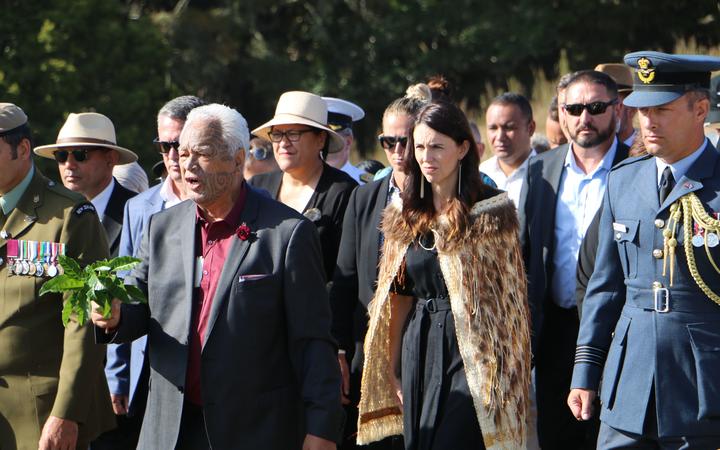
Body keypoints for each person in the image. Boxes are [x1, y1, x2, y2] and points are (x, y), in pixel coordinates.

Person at [91, 103, 344, 449]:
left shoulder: (286, 234)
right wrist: (114, 316)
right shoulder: (162, 227)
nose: (188, 165)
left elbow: (312, 341)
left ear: (238, 160)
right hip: (170, 428)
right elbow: (140, 305)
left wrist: (321, 429)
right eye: (182, 153)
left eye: (203, 154)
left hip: (252, 430)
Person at [357, 101, 531, 449]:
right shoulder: (404, 213)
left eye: (437, 146)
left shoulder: (491, 212)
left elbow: (510, 307)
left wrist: (505, 378)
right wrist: (391, 369)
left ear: (462, 148)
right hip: (418, 344)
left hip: (474, 352)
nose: (426, 156)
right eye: (419, 146)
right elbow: (400, 296)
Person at [569, 51, 720, 448]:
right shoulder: (624, 181)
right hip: (629, 386)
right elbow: (605, 287)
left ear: (700, 109)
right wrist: (585, 373)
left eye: (663, 110)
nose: (647, 123)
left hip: (702, 391)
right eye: (640, 111)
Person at [519, 70, 630, 449]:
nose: (585, 117)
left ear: (617, 110)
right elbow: (526, 251)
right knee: (555, 436)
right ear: (561, 114)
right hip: (554, 331)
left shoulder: (636, 169)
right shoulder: (540, 170)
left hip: (618, 334)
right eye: (575, 108)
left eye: (596, 107)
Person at [0, 103, 115, 449]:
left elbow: (85, 321)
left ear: (22, 149)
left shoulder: (69, 215)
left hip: (39, 413)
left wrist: (67, 412)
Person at [102, 95, 205, 450]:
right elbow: (124, 291)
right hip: (149, 364)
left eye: (180, 144)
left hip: (202, 366)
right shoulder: (139, 207)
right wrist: (117, 377)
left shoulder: (214, 205)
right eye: (165, 145)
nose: (173, 155)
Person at [330, 87, 430, 450]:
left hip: (423, 348)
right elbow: (344, 279)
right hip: (367, 351)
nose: (398, 152)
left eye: (406, 141)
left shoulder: (443, 198)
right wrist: (339, 350)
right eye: (389, 142)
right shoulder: (364, 196)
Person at [250, 91, 358, 283]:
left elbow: (346, 274)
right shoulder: (257, 186)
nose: (283, 143)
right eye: (277, 134)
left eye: (293, 134)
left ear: (320, 139)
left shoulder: (344, 192)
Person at [34, 112, 138, 257]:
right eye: (61, 156)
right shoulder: (45, 212)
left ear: (110, 158)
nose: (69, 165)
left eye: (80, 154)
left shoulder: (138, 212)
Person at [481, 92, 537, 206]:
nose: (500, 136)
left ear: (530, 128)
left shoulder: (549, 175)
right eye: (493, 128)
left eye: (509, 127)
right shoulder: (482, 174)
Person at [324, 97, 367, 183]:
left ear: (348, 141)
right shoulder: (301, 181)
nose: (323, 143)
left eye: (331, 138)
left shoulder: (365, 185)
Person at [595, 63, 638, 147]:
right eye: (596, 106)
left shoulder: (648, 152)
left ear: (632, 109)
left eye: (613, 105)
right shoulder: (587, 154)